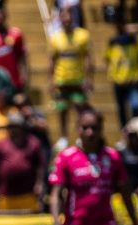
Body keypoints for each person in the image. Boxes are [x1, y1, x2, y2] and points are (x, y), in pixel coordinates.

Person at [48, 6, 93, 151]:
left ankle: (81, 136)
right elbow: (51, 61)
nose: (66, 19)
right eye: (63, 16)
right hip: (61, 79)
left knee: (81, 110)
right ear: (60, 19)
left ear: (72, 17)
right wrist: (51, 81)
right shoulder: (55, 38)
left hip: (78, 80)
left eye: (68, 16)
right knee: (62, 110)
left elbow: (88, 58)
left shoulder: (83, 35)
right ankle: (63, 137)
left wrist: (89, 79)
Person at [0, 112, 45, 212]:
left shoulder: (33, 143)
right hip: (5, 196)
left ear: (22, 127)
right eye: (11, 127)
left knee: (28, 224)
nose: (14, 129)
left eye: (16, 126)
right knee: (7, 223)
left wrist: (39, 183)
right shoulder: (0, 144)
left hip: (28, 195)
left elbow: (40, 166)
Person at [104, 17, 138, 128]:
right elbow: (108, 59)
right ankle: (124, 133)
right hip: (119, 81)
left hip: (133, 80)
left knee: (136, 107)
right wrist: (111, 76)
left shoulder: (134, 39)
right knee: (122, 109)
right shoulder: (113, 41)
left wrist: (132, 28)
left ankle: (136, 131)